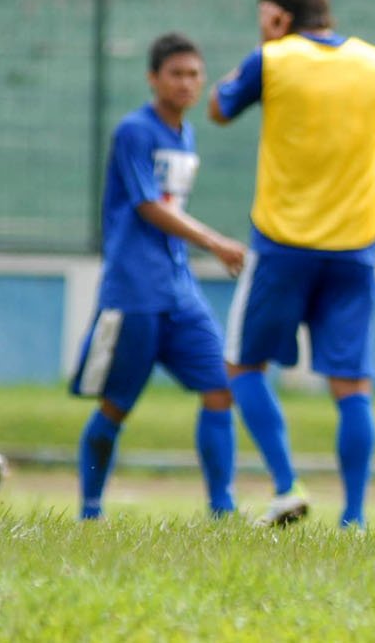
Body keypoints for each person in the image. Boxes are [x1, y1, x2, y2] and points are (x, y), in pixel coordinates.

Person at [209, 0, 375, 529]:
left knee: (241, 365)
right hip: (354, 248)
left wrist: (267, 42)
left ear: (278, 16)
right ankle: (354, 520)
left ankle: (287, 486)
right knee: (352, 382)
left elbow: (217, 108)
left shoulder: (275, 58)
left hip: (283, 244)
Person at [70, 32, 247, 520]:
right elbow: (148, 205)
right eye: (176, 74)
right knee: (116, 405)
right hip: (134, 290)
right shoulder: (135, 130)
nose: (187, 83)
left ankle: (222, 510)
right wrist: (214, 241)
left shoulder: (185, 134)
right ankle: (90, 510)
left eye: (194, 74)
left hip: (178, 290)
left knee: (220, 387)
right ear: (153, 79)